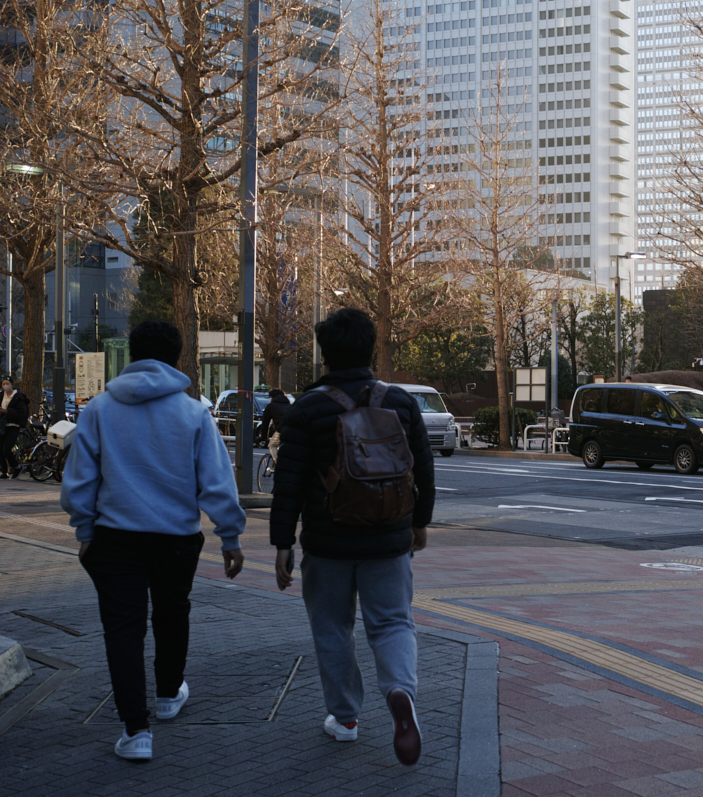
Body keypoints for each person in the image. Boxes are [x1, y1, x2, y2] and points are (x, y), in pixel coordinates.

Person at [61, 320, 246, 762]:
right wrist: (231, 538)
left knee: (123, 630)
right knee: (171, 611)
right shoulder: (194, 412)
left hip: (115, 537)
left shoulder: (101, 409)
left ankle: (135, 730)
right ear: (177, 358)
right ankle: (167, 695)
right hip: (176, 537)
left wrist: (85, 531)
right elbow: (216, 484)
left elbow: (78, 484)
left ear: (134, 356)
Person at [270, 308, 435, 766]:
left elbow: (289, 482)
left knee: (332, 627)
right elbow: (423, 467)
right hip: (388, 538)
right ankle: (400, 692)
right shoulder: (399, 402)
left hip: (327, 542)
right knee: (393, 622)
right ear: (371, 349)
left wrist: (282, 543)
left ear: (325, 356)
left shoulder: (307, 409)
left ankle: (344, 719)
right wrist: (419, 521)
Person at [1, 377, 31, 479]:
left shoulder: (19, 397)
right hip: (2, 425)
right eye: (3, 384)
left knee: (6, 448)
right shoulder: (1, 395)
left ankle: (17, 466)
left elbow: (21, 413)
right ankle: (4, 471)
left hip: (13, 425)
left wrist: (6, 411)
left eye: (7, 383)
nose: (5, 386)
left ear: (11, 384)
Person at [258, 388, 292, 462]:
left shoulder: (271, 406)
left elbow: (265, 423)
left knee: (272, 445)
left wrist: (263, 437)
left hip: (282, 429)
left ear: (272, 397)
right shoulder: (290, 405)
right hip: (296, 430)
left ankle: (279, 464)